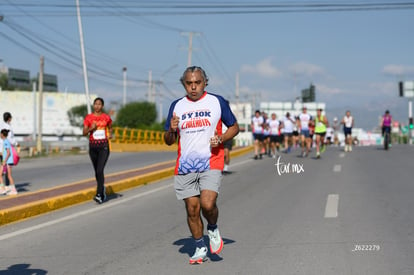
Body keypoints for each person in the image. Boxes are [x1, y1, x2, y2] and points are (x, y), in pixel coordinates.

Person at [164, 66, 239, 264]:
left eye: (197, 82)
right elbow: (168, 140)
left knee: (207, 204)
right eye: (189, 83)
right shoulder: (176, 105)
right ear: (184, 84)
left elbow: (234, 126)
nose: (193, 87)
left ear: (205, 82)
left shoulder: (216, 101)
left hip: (211, 160)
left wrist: (221, 138)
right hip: (185, 165)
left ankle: (212, 228)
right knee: (192, 209)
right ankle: (199, 246)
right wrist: (171, 130)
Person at [83, 97, 113, 204]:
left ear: (102, 106)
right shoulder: (89, 118)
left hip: (104, 147)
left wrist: (110, 134)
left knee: (100, 170)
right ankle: (102, 190)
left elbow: (110, 126)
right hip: (93, 147)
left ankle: (99, 194)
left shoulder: (106, 117)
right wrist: (92, 128)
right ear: (93, 105)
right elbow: (84, 132)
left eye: (99, 104)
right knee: (97, 172)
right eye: (95, 104)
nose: (97, 106)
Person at [0, 112, 18, 187]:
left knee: (3, 167)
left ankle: (3, 186)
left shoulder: (1, 125)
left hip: (1, 149)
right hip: (4, 150)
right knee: (6, 168)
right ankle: (7, 186)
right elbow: (10, 138)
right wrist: (16, 143)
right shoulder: (8, 127)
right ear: (9, 118)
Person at [0, 129, 17, 195]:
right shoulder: (5, 141)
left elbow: (8, 153)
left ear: (2, 134)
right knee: (0, 174)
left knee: (9, 176)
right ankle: (3, 189)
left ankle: (13, 190)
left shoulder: (6, 142)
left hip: (7, 162)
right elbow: (5, 153)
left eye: (0, 134)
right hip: (6, 161)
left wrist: (4, 161)